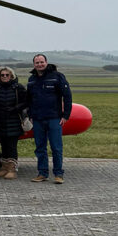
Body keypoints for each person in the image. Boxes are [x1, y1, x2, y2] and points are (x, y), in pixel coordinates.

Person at [26, 54, 72, 184]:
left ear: (46, 62)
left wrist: (65, 115)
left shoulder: (57, 76)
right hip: (38, 119)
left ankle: (58, 174)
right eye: (37, 62)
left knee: (56, 147)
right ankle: (42, 173)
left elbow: (67, 96)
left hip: (54, 118)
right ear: (34, 64)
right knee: (40, 147)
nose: (39, 64)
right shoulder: (31, 79)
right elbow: (28, 99)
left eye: (41, 62)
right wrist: (30, 115)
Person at [0, 66, 27, 180]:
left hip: (14, 121)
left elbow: (26, 101)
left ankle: (12, 169)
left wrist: (15, 108)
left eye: (7, 75)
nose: (5, 77)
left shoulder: (18, 87)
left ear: (11, 76)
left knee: (12, 146)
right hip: (1, 121)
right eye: (2, 75)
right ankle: (4, 168)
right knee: (4, 145)